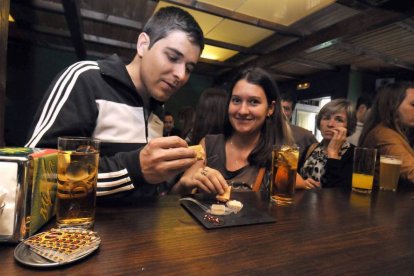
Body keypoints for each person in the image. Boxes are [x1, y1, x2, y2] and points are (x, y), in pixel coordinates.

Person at [25, 7, 204, 198]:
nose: (181, 75)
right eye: (173, 57)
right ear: (143, 44)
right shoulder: (87, 80)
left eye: (189, 68)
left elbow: (144, 190)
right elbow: (37, 173)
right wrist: (135, 168)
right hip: (80, 227)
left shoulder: (157, 109)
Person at [172, 67, 294, 195]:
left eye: (254, 102)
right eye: (236, 100)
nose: (242, 111)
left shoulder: (280, 156)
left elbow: (292, 199)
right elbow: (176, 196)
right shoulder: (208, 144)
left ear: (270, 108)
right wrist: (184, 184)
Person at [359, 82, 414, 185]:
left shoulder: (391, 132)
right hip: (384, 199)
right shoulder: (384, 134)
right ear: (393, 105)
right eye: (413, 104)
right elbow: (411, 172)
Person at [297, 99, 357, 189]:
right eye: (326, 118)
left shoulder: (354, 154)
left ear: (348, 126)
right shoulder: (311, 148)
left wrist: (333, 153)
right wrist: (302, 183)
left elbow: (339, 191)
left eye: (339, 120)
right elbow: (297, 178)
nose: (330, 124)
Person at [280, 92, 318, 158]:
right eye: (279, 108)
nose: (282, 112)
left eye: (286, 109)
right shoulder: (259, 132)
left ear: (291, 112)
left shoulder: (305, 136)